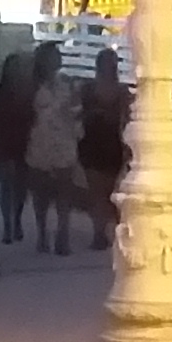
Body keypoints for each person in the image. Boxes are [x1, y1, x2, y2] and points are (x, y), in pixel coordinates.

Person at [22, 43, 85, 253]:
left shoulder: (66, 83)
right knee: (40, 193)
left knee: (64, 191)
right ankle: (42, 234)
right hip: (39, 142)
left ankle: (62, 234)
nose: (57, 59)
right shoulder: (31, 86)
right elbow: (27, 114)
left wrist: (75, 112)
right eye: (52, 56)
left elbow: (76, 110)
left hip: (64, 141)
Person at [0, 45, 38, 245]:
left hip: (22, 140)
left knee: (20, 185)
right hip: (5, 140)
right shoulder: (2, 93)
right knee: (7, 183)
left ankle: (17, 219)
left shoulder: (29, 91)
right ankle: (8, 225)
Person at [77, 45, 134, 239]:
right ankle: (99, 232)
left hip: (111, 142)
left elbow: (127, 118)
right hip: (93, 140)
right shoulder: (89, 89)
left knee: (109, 190)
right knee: (98, 190)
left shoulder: (119, 91)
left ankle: (103, 231)